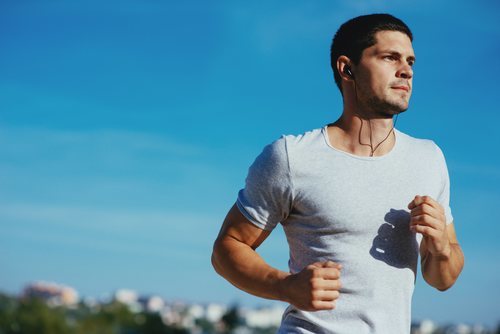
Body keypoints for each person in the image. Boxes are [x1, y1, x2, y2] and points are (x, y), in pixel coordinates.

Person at [211, 13, 464, 333]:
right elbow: (227, 248)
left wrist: (440, 246)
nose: (407, 70)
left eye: (411, 61)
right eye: (390, 57)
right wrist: (285, 286)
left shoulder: (429, 159)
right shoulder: (292, 157)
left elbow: (443, 278)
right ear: (347, 68)